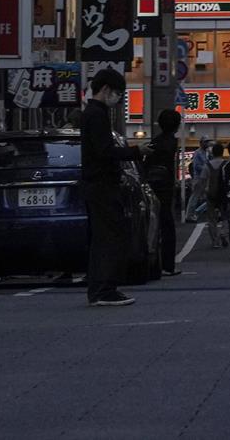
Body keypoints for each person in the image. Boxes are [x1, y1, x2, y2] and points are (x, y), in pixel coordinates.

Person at [82, 68, 142, 307]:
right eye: (117, 93)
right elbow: (105, 151)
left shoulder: (92, 113)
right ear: (105, 89)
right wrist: (136, 152)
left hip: (96, 185)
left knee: (102, 238)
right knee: (110, 237)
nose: (118, 99)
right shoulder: (97, 114)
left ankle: (100, 288)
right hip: (102, 185)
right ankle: (105, 289)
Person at [146, 107, 184, 278]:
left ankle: (156, 263)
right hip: (165, 188)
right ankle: (168, 265)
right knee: (168, 226)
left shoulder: (155, 142)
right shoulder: (171, 143)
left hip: (153, 186)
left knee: (155, 226)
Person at [184, 139, 211, 223]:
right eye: (205, 142)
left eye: (207, 142)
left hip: (205, 178)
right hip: (199, 178)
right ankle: (189, 215)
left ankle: (195, 212)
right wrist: (207, 168)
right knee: (195, 197)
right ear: (201, 143)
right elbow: (196, 166)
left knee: (209, 198)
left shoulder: (206, 153)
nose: (207, 143)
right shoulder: (198, 153)